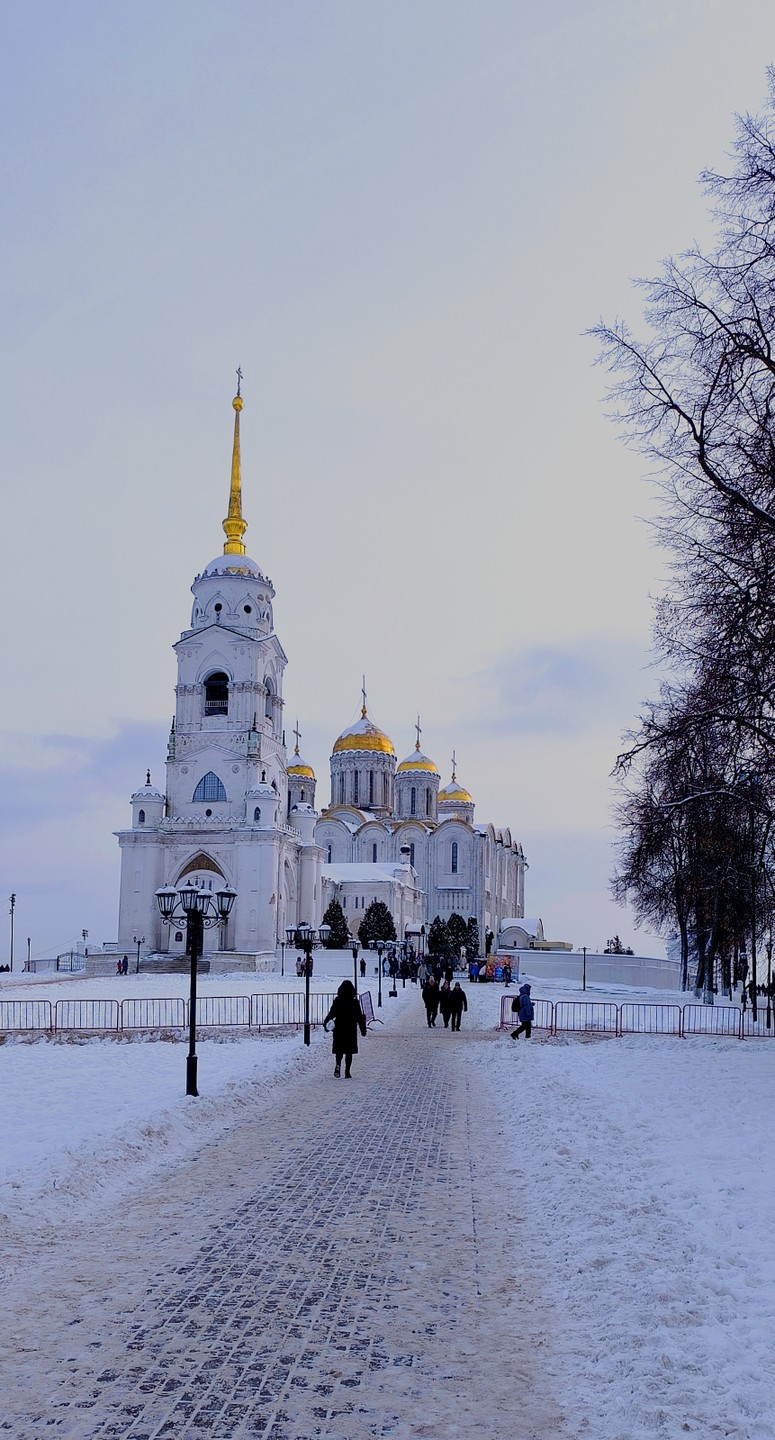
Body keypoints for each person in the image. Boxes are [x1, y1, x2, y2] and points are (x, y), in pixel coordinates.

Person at [323, 980, 367, 1078]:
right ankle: (347, 1072)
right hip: (350, 1029)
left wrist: (325, 1024)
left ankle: (338, 1064)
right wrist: (363, 1029)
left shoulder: (338, 1001)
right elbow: (359, 1017)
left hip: (339, 1028)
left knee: (339, 1050)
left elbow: (331, 1013)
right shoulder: (355, 1002)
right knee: (349, 1051)